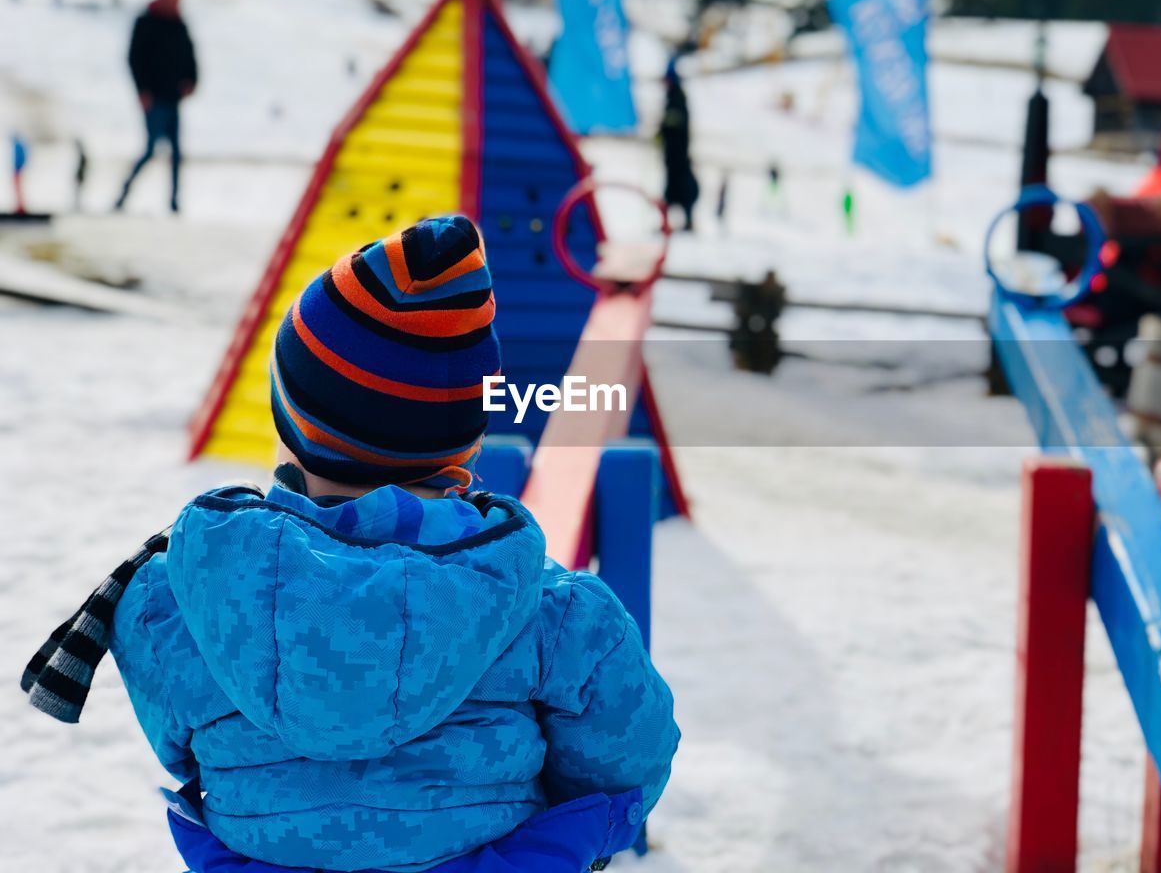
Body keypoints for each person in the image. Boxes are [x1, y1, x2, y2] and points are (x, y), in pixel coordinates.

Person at [22, 216, 679, 873]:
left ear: (293, 426)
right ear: (464, 447)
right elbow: (626, 756)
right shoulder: (555, 615)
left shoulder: (179, 592)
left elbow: (182, 740)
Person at [116, 0, 197, 213]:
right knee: (151, 149)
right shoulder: (146, 22)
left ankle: (173, 202)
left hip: (173, 98)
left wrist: (192, 81)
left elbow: (190, 55)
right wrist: (142, 90)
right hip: (154, 99)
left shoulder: (179, 23)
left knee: (176, 153)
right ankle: (124, 193)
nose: (175, 2)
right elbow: (134, 58)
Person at [659, 59, 699, 231]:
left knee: (681, 189)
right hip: (672, 155)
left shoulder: (677, 98)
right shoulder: (672, 97)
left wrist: (664, 130)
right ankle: (668, 220)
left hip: (678, 155)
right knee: (672, 189)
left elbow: (675, 125)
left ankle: (685, 220)